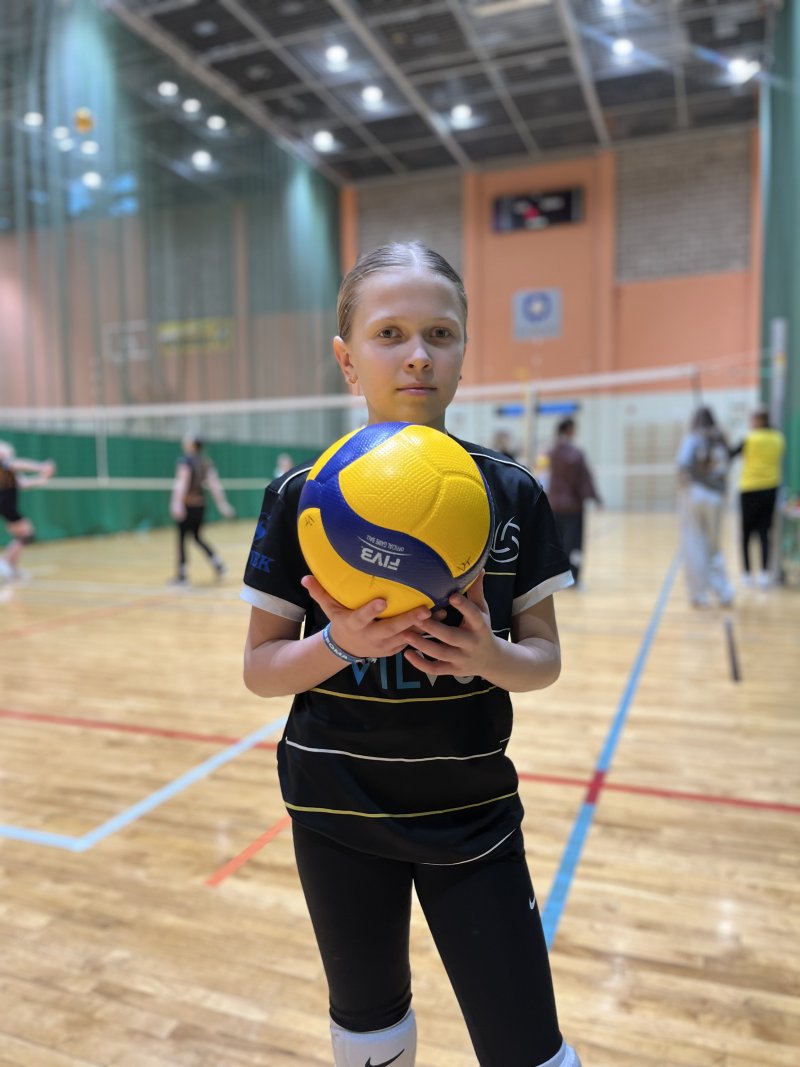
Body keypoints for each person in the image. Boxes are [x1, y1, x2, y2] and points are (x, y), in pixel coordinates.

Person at [240, 242, 581, 1067]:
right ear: (347, 359)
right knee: (369, 1034)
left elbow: (543, 659)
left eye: (441, 333)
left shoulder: (511, 493)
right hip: (335, 812)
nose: (418, 354)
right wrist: (339, 642)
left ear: (465, 351)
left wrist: (487, 654)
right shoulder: (301, 496)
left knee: (528, 1047)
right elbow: (260, 669)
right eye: (389, 333)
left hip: (472, 813)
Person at [676, 406, 735, 608]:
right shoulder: (721, 439)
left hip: (694, 494)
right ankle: (724, 592)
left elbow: (682, 466)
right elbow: (726, 466)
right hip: (716, 497)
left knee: (693, 544)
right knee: (714, 546)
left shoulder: (692, 439)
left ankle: (699, 594)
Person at [729, 405, 785, 588]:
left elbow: (731, 454)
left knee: (746, 533)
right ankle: (764, 573)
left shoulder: (749, 438)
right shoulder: (778, 438)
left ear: (759, 420)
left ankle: (746, 573)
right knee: (764, 532)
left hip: (750, 489)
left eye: (752, 419)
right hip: (770, 489)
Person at [169, 433, 235, 585]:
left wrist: (177, 503)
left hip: (188, 505)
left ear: (192, 445)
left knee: (182, 539)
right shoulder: (205, 462)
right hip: (200, 506)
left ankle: (182, 576)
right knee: (197, 537)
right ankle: (218, 564)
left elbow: (182, 483)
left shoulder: (186, 461)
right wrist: (222, 504)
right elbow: (214, 485)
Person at [546, 417, 602, 587]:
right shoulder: (576, 454)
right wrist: (596, 498)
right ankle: (574, 577)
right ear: (569, 429)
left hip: (554, 504)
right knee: (575, 544)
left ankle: (557, 578)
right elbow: (584, 479)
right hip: (573, 507)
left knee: (557, 543)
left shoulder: (550, 452)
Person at [0, 440, 56, 582]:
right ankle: (6, 562)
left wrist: (42, 478)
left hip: (7, 506)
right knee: (26, 535)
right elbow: (18, 464)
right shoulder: (5, 465)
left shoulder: (8, 470)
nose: (10, 456)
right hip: (5, 505)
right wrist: (40, 466)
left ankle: (12, 568)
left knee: (21, 535)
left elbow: (23, 484)